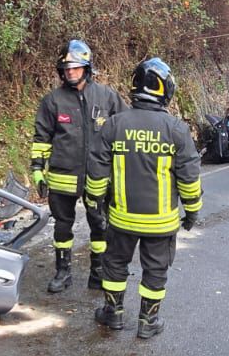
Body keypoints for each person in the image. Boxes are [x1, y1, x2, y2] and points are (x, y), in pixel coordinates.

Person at [84, 58, 202, 337]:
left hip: (122, 219)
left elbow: (97, 170)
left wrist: (94, 202)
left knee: (114, 265)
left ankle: (113, 314)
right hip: (161, 223)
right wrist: (193, 211)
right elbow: (189, 177)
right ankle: (148, 322)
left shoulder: (114, 124)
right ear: (166, 91)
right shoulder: (176, 129)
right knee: (156, 270)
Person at [30, 39, 127, 293]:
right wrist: (38, 170)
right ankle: (63, 272)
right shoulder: (52, 101)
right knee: (63, 226)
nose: (70, 72)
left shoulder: (107, 97)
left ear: (87, 67)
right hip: (63, 176)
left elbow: (123, 131)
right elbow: (42, 137)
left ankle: (98, 272)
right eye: (65, 68)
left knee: (100, 224)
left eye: (75, 67)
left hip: (98, 177)